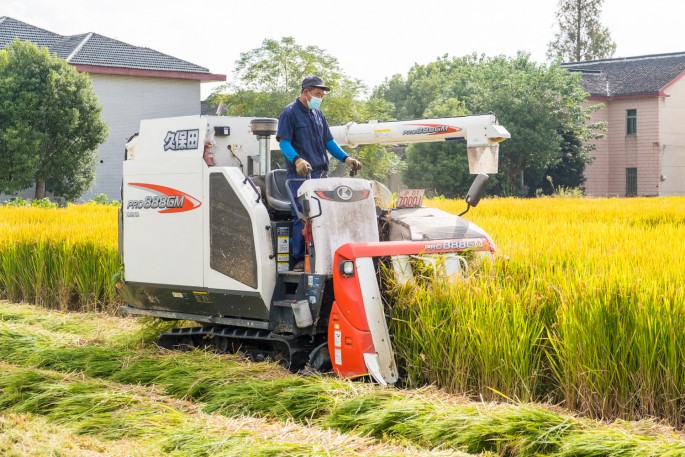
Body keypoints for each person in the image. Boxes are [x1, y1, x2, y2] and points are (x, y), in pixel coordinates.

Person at [276, 75, 362, 272]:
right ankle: (299, 260)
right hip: (300, 177)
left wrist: (346, 158)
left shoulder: (318, 115)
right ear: (305, 92)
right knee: (303, 217)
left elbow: (329, 142)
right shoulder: (289, 113)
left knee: (324, 217)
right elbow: (284, 141)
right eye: (317, 94)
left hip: (321, 177)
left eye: (322, 95)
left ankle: (324, 256)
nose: (320, 98)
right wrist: (297, 160)